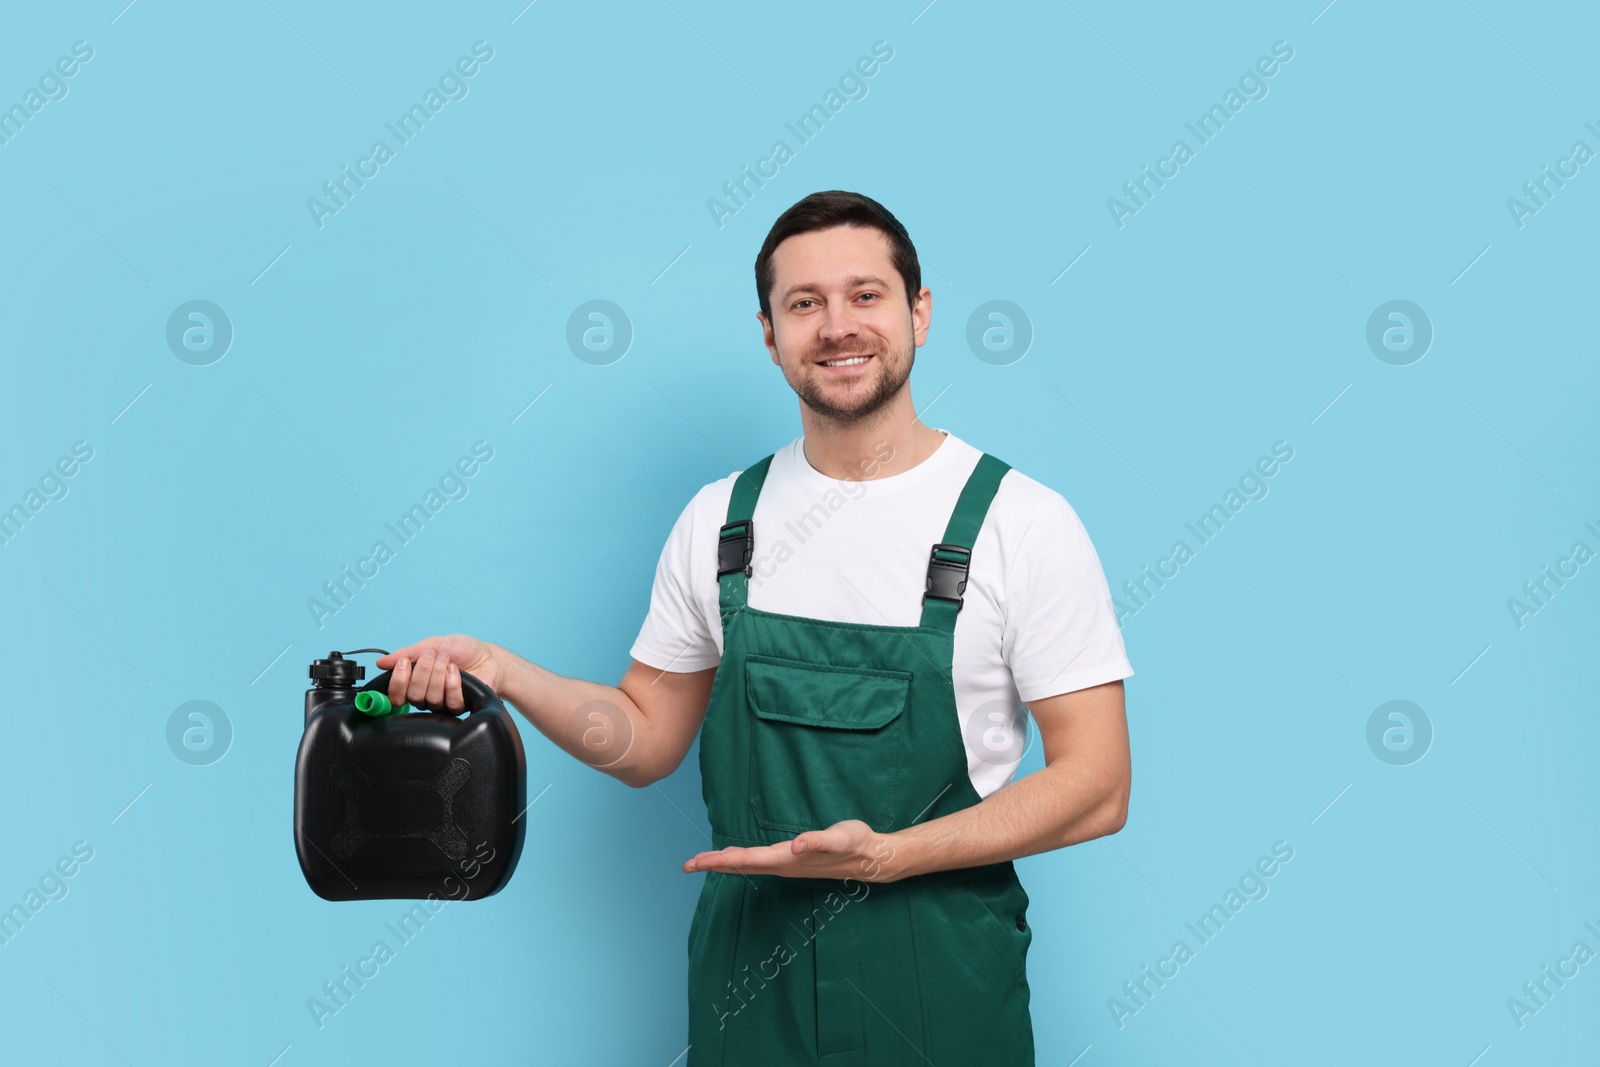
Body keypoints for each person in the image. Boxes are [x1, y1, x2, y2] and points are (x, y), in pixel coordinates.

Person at [379, 190, 1133, 1065]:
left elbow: (1098, 782)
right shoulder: (720, 523)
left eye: (866, 294)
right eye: (804, 303)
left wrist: (887, 855)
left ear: (919, 313)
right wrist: (498, 667)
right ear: (771, 335)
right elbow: (644, 737)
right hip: (751, 990)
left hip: (941, 986)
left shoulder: (1019, 523)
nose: (837, 325)